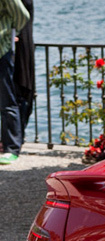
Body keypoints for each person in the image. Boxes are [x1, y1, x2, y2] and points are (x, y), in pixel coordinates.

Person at [0, 0, 30, 165]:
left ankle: (11, 148)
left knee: (6, 101)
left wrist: (11, 32)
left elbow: (22, 15)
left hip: (1, 50)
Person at [13, 0, 32, 143]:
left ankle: (15, 138)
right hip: (21, 41)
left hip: (19, 43)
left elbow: (22, 15)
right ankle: (15, 137)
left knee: (20, 88)